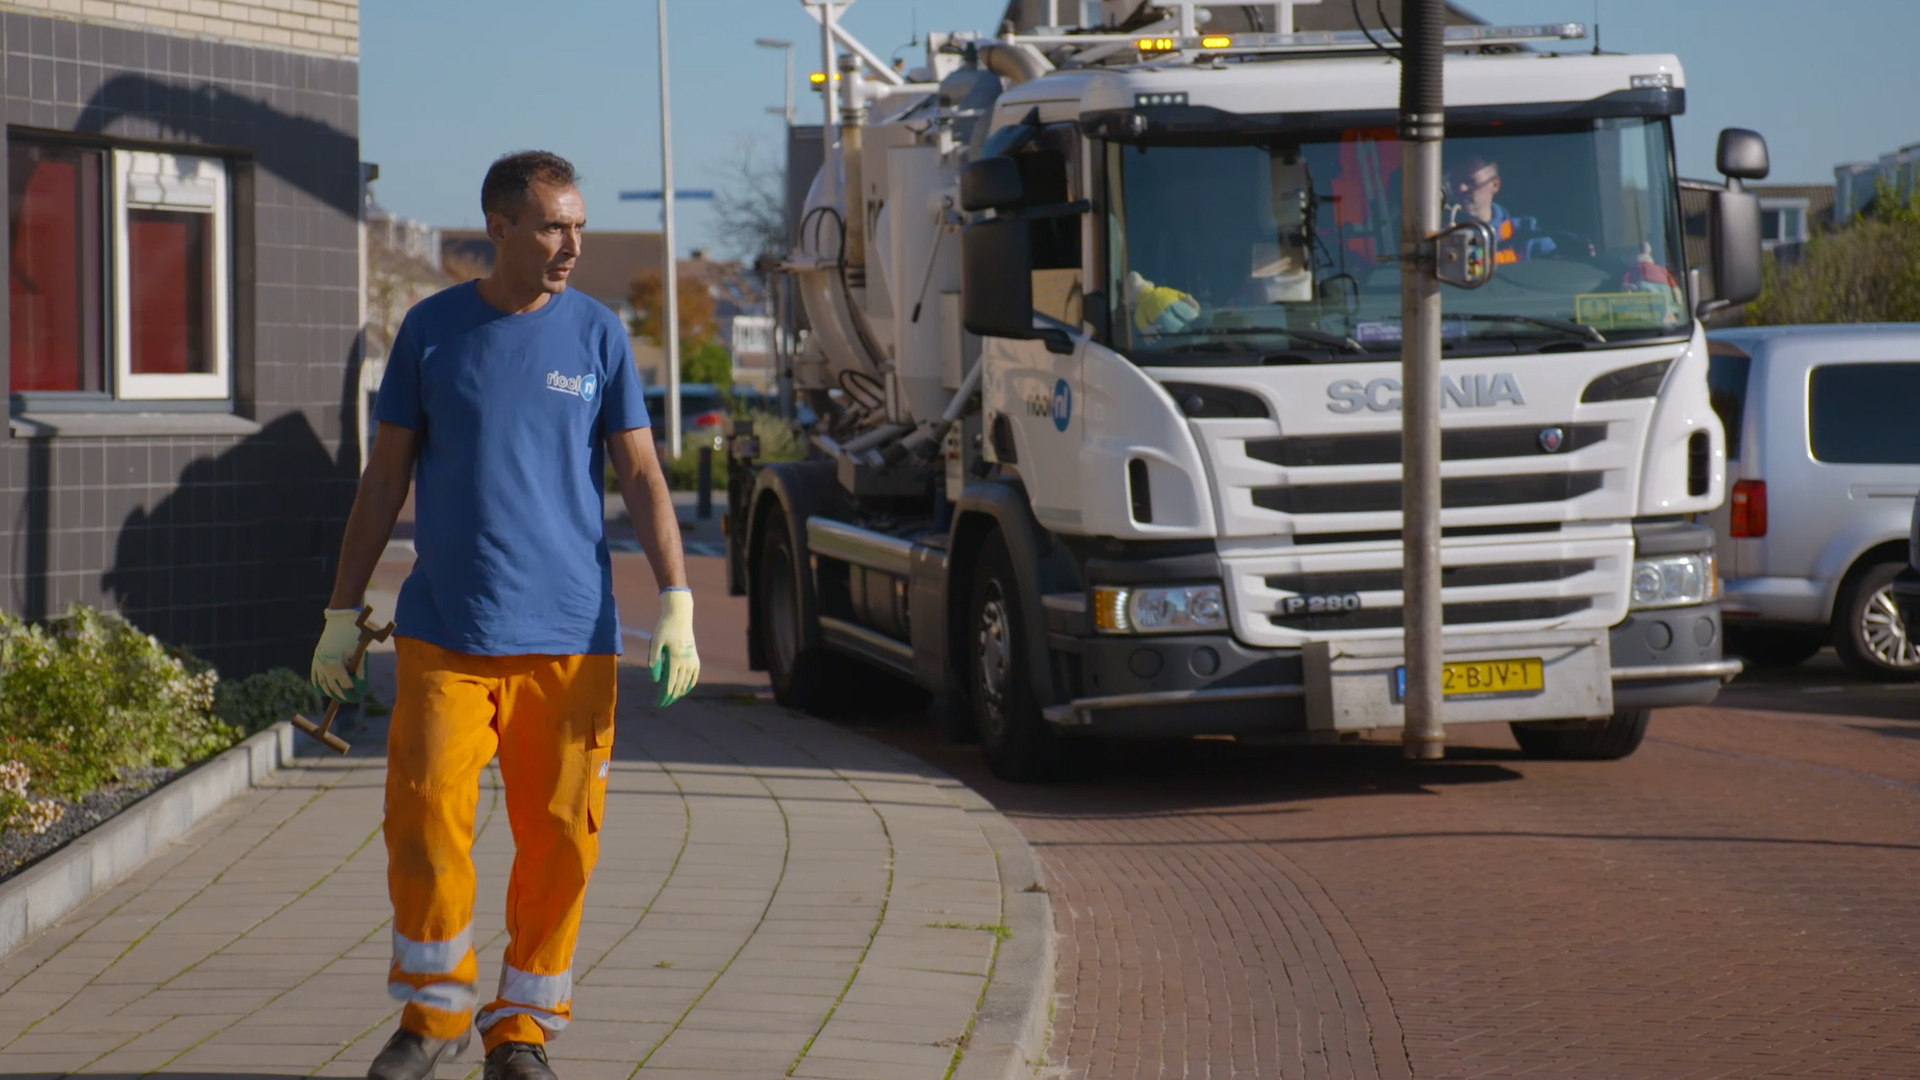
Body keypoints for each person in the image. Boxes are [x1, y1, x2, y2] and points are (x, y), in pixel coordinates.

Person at [310, 151, 700, 1080]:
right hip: (448, 629)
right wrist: (340, 609)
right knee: (423, 818)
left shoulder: (598, 336)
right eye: (552, 226)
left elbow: (641, 475)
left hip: (571, 635)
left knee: (563, 840)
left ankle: (521, 1028)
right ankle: (435, 1014)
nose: (571, 244)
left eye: (577, 225)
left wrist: (678, 600)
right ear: (498, 227)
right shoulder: (432, 332)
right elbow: (384, 479)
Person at [1445, 153, 1557, 264]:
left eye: (1470, 182)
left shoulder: (1526, 234)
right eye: (1454, 181)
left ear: (1495, 185)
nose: (1461, 188)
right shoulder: (1440, 236)